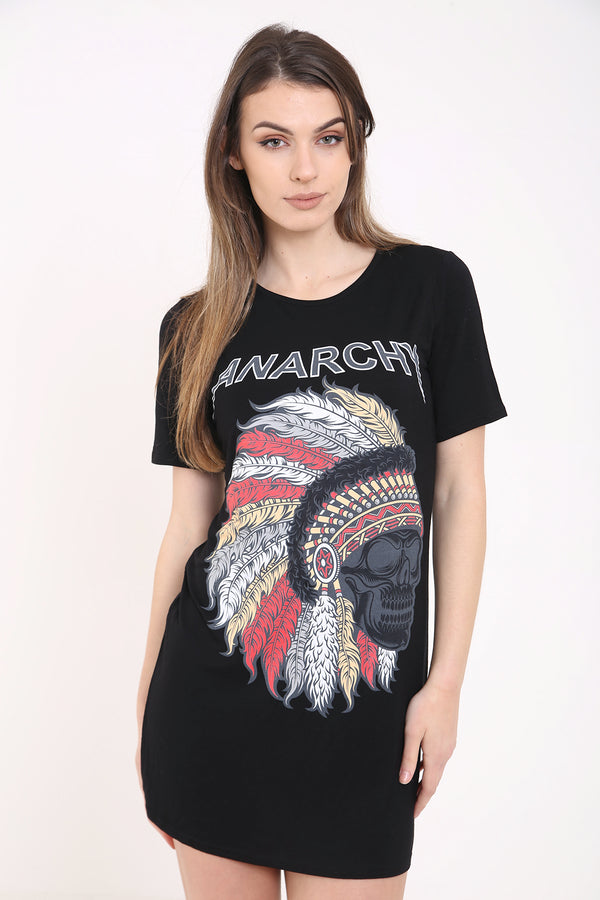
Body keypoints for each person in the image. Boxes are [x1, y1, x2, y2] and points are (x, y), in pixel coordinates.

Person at [135, 22, 508, 900]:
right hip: (211, 717)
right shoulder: (194, 328)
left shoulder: (430, 288)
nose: (305, 169)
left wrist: (445, 686)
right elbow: (189, 529)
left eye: (328, 138)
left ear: (354, 146)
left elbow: (459, 493)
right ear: (233, 154)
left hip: (367, 726)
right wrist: (147, 711)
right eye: (275, 141)